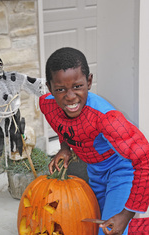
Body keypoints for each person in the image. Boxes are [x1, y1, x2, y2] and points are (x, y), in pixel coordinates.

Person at [39, 47, 149, 235]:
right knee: (89, 226)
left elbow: (145, 159)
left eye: (77, 86)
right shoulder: (47, 105)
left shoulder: (107, 118)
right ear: (50, 89)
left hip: (121, 170)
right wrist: (65, 148)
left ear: (89, 82)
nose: (70, 96)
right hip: (95, 172)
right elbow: (61, 124)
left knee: (110, 229)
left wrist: (126, 214)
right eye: (60, 89)